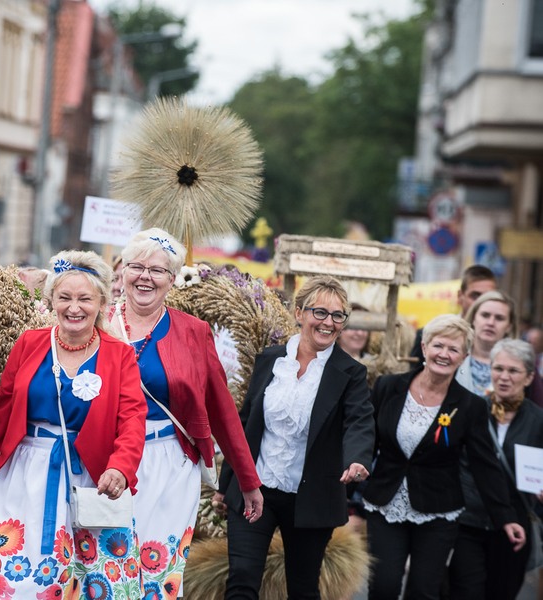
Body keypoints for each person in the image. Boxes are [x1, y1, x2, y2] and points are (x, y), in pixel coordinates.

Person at [0, 250, 147, 599]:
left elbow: (132, 420)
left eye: (85, 298)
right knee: (14, 579)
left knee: (99, 585)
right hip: (22, 478)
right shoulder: (29, 344)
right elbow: (2, 420)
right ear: (51, 299)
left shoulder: (119, 354)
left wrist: (121, 468)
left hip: (89, 481)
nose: (74, 307)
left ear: (101, 302)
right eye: (65, 297)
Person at [107, 228, 263, 598]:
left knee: (156, 573)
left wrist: (248, 480)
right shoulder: (96, 324)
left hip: (170, 465)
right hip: (106, 461)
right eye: (137, 267)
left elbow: (222, 410)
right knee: (107, 570)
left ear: (172, 279)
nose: (146, 277)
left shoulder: (194, 332)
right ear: (123, 272)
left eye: (158, 270)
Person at [218, 275, 375, 599]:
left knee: (303, 589)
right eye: (320, 312)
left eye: (337, 316)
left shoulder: (351, 373)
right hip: (255, 489)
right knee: (242, 579)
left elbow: (359, 421)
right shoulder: (270, 359)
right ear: (299, 312)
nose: (328, 322)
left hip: (311, 498)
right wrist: (226, 485)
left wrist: (357, 458)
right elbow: (247, 424)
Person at [363, 314, 525, 600]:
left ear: (463, 357)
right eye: (439, 345)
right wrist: (343, 493)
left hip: (438, 510)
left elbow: (484, 464)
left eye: (454, 349)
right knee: (384, 587)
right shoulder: (388, 386)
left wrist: (506, 516)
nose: (444, 354)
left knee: (424, 591)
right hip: (386, 504)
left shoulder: (470, 405)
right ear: (424, 347)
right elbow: (367, 443)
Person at [449, 338, 543, 599]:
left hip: (514, 527)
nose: (504, 377)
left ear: (528, 377)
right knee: (466, 592)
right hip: (468, 521)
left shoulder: (538, 421)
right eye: (498, 368)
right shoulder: (471, 410)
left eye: (513, 371)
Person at [410, 265, 497, 364]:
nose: (481, 303)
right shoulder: (428, 334)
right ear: (460, 296)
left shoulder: (502, 342)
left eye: (488, 297)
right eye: (475, 296)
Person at [455, 290, 518, 397]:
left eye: (499, 318)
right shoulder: (453, 354)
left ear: (509, 326)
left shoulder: (521, 364)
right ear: (473, 318)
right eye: (485, 315)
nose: (490, 323)